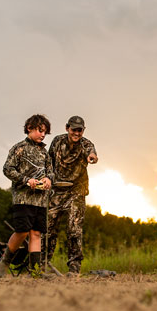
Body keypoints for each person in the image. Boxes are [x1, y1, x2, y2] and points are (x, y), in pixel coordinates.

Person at [0, 114, 55, 278]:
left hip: (41, 200)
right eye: (40, 130)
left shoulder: (44, 153)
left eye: (45, 132)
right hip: (23, 198)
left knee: (36, 234)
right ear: (30, 128)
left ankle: (35, 272)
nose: (43, 134)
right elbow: (8, 169)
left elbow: (51, 171)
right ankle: (4, 263)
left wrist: (49, 179)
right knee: (22, 232)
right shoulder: (19, 148)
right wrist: (27, 180)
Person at [45, 115, 98, 276]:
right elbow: (48, 163)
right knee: (48, 229)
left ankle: (74, 269)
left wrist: (92, 157)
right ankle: (41, 266)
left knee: (74, 230)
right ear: (67, 128)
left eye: (79, 130)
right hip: (57, 191)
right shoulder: (57, 141)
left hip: (77, 191)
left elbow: (92, 153)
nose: (76, 133)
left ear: (83, 130)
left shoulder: (86, 144)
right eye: (74, 129)